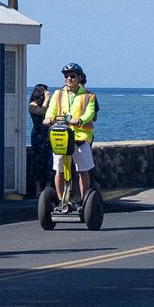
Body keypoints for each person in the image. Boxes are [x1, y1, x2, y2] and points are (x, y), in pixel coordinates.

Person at [46, 62, 98, 208]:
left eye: (72, 76)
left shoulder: (89, 96)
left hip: (80, 137)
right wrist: (48, 117)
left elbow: (90, 113)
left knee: (82, 170)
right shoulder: (58, 94)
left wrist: (80, 119)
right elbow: (52, 109)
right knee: (59, 170)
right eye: (66, 76)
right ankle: (62, 201)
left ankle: (82, 200)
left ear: (79, 77)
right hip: (61, 136)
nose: (69, 79)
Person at [25, 83, 53, 197]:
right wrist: (46, 99)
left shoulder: (49, 105)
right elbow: (41, 112)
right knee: (37, 161)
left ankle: (48, 187)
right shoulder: (33, 104)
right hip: (38, 134)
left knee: (49, 161)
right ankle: (38, 189)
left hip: (47, 134)